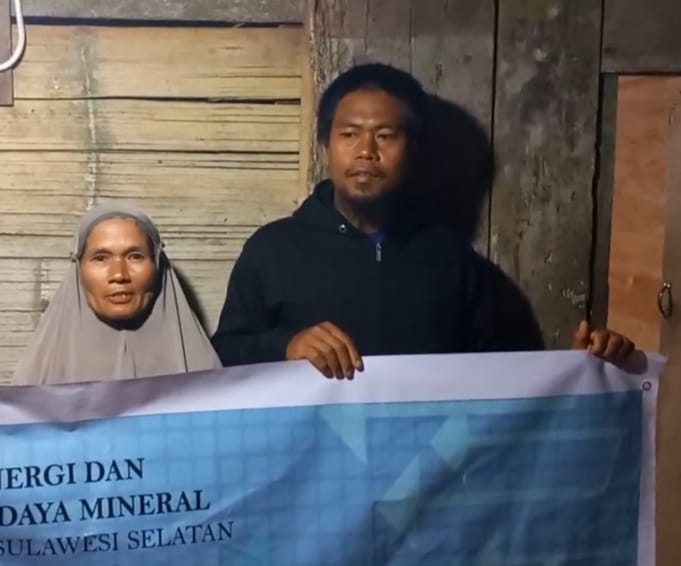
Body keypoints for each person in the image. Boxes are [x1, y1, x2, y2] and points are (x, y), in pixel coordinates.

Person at [211, 62, 634, 379]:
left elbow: (504, 380)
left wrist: (581, 370)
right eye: (349, 133)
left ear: (412, 149)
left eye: (385, 135)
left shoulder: (450, 258)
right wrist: (286, 346)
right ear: (326, 145)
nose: (366, 151)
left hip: (427, 468)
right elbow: (221, 356)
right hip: (311, 465)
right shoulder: (273, 249)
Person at [13, 202, 220, 386]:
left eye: (135, 256)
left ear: (157, 264)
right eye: (100, 258)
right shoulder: (39, 374)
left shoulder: (204, 370)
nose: (119, 275)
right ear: (79, 268)